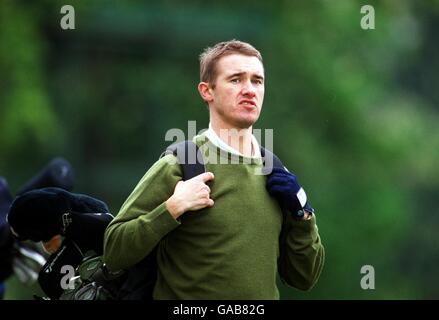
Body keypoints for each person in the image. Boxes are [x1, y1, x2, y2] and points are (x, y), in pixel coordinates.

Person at [103, 40, 324, 299]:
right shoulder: (182, 163)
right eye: (236, 80)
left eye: (257, 81)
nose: (249, 90)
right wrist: (172, 208)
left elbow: (305, 278)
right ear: (207, 91)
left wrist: (303, 216)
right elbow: (114, 250)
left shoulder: (276, 173)